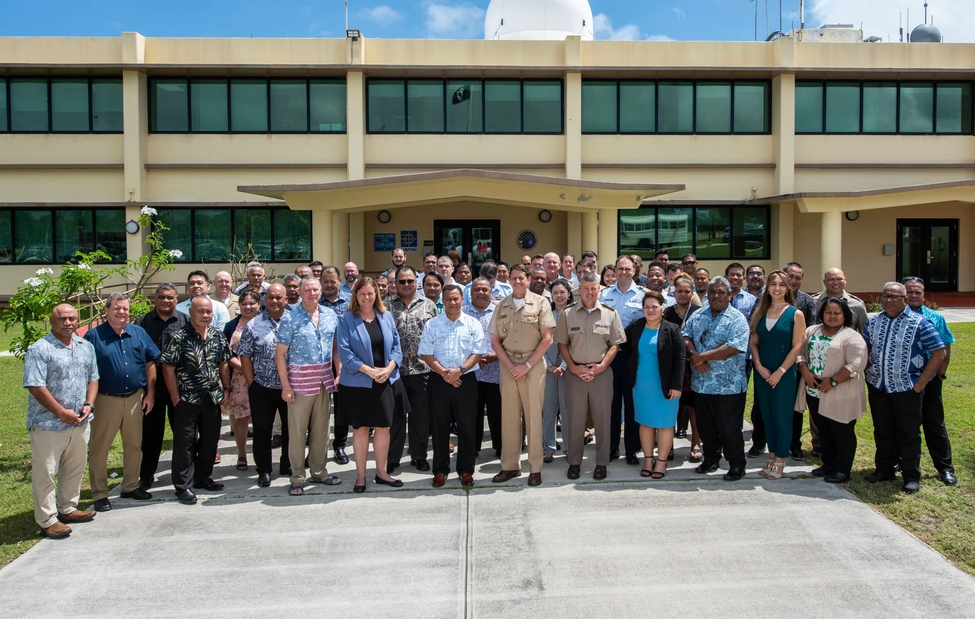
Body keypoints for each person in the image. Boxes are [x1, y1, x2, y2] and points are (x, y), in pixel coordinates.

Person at [23, 304, 99, 539]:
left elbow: (93, 378)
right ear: (52, 320)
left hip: (80, 421)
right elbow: (36, 386)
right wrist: (61, 412)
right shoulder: (40, 349)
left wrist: (89, 404)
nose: (67, 322)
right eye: (62, 318)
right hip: (48, 424)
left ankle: (67, 508)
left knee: (75, 467)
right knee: (46, 473)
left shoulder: (85, 346)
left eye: (72, 318)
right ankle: (47, 519)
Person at [862, 282, 946, 494]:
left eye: (894, 296)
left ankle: (911, 475)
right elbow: (864, 349)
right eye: (885, 296)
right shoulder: (874, 322)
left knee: (909, 433)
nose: (888, 300)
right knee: (882, 430)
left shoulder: (921, 323)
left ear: (905, 299)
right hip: (878, 386)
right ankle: (885, 469)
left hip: (907, 388)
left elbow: (939, 352)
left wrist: (921, 383)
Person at [84, 293, 159, 512]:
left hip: (135, 398)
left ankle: (130, 486)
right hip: (105, 399)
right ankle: (99, 493)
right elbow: (86, 371)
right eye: (117, 308)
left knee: (134, 445)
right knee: (100, 448)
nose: (122, 312)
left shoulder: (138, 333)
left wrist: (150, 393)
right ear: (106, 310)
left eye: (125, 309)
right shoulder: (93, 336)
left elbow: (150, 361)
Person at [336, 277, 409, 493]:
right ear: (355, 296)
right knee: (361, 429)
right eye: (362, 294)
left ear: (376, 294)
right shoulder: (346, 319)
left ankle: (382, 472)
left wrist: (388, 369)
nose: (367, 298)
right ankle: (360, 477)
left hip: (386, 380)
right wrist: (369, 370)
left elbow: (397, 346)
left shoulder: (385, 316)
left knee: (384, 428)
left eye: (370, 293)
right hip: (359, 383)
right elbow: (345, 353)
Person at [489, 264, 556, 486]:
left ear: (528, 279)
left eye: (520, 278)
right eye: (513, 278)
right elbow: (495, 341)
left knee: (533, 417)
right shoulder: (502, 305)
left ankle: (535, 468)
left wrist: (526, 366)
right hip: (509, 365)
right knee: (509, 418)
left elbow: (547, 339)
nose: (517, 281)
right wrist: (510, 366)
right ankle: (509, 466)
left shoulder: (540, 303)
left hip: (533, 365)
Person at [160, 296, 232, 505]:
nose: (205, 315)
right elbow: (168, 367)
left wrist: (226, 389)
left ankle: (203, 477)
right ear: (191, 313)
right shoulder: (179, 337)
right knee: (185, 443)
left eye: (209, 312)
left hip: (211, 397)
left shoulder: (218, 336)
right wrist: (175, 398)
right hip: (186, 398)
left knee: (210, 439)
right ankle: (183, 486)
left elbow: (224, 363)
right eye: (201, 311)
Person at [275, 277, 341, 495]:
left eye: (316, 290)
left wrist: (338, 372)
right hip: (299, 383)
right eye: (308, 290)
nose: (312, 293)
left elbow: (335, 347)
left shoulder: (330, 315)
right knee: (297, 432)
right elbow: (281, 354)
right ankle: (297, 476)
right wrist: (285, 386)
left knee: (322, 430)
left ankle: (319, 471)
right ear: (300, 293)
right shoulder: (290, 319)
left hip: (323, 380)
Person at [556, 272, 625, 480]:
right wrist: (573, 368)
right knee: (575, 419)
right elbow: (562, 344)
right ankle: (574, 462)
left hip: (601, 373)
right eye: (585, 288)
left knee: (603, 419)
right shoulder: (568, 314)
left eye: (593, 288)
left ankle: (601, 463)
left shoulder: (610, 313)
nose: (589, 292)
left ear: (599, 289)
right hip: (575, 373)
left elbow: (615, 345)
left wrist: (602, 366)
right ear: (579, 290)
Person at [682, 277, 750, 481]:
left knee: (729, 428)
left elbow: (734, 347)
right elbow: (685, 335)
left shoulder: (737, 319)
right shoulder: (698, 314)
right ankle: (711, 459)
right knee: (706, 426)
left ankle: (737, 464)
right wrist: (694, 356)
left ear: (729, 296)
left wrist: (700, 357)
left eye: (721, 292)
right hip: (701, 385)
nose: (716, 296)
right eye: (712, 292)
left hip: (727, 386)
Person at [418, 285, 484, 487]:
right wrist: (445, 374)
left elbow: (477, 353)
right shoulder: (432, 324)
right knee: (439, 426)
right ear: (443, 300)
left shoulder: (472, 324)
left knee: (467, 426)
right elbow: (426, 354)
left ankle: (466, 469)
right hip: (439, 380)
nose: (452, 303)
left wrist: (460, 371)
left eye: (456, 299)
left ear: (462, 300)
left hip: (466, 380)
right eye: (448, 299)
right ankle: (440, 469)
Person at [796, 298, 868, 484]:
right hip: (815, 391)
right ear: (822, 314)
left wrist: (833, 382)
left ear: (845, 315)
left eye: (837, 313)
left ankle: (843, 470)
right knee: (824, 430)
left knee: (842, 430)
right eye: (828, 312)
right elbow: (800, 353)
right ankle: (828, 464)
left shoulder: (852, 336)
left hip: (840, 392)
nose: (833, 316)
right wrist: (805, 372)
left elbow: (856, 364)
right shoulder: (811, 331)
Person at [748, 270, 805, 480]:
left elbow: (798, 345)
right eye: (773, 284)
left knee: (782, 416)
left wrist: (780, 372)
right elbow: (754, 342)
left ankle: (780, 459)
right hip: (763, 371)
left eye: (782, 284)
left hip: (784, 371)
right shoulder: (761, 311)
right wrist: (759, 366)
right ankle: (771, 457)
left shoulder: (795, 313)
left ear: (787, 288)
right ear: (768, 288)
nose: (777, 288)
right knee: (767, 416)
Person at [903, 276, 957, 486]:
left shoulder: (935, 318)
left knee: (934, 423)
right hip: (905, 380)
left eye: (918, 292)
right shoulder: (895, 317)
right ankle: (902, 461)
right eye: (910, 292)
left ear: (924, 295)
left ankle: (945, 467)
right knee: (905, 424)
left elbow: (946, 346)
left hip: (931, 378)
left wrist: (940, 374)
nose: (914, 295)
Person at [625, 291, 685, 479]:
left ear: (663, 308)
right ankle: (648, 460)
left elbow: (681, 358)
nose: (650, 310)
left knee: (665, 424)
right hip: (641, 385)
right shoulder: (636, 326)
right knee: (646, 423)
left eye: (654, 306)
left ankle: (661, 462)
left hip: (666, 385)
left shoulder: (672, 328)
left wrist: (677, 384)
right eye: (646, 307)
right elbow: (623, 345)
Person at [386, 265, 439, 473]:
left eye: (410, 281)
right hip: (395, 370)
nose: (406, 284)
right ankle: (392, 457)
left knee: (421, 417)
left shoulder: (429, 305)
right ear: (395, 283)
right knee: (395, 417)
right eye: (402, 281)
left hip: (422, 370)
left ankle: (419, 456)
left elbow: (436, 337)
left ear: (416, 282)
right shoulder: (385, 306)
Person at [136, 284, 188, 490]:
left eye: (170, 298)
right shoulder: (142, 323)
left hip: (180, 387)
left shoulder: (185, 321)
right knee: (151, 436)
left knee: (184, 434)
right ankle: (146, 476)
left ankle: (184, 476)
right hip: (153, 389)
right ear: (154, 299)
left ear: (177, 299)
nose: (166, 301)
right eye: (161, 297)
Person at [238, 283, 290, 487]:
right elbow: (244, 354)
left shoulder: (294, 321)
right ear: (265, 300)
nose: (275, 301)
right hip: (262, 387)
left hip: (290, 387)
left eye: (279, 297)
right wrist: (252, 384)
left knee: (291, 429)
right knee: (262, 430)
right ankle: (264, 470)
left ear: (286, 299)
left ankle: (287, 464)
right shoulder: (254, 324)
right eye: (271, 298)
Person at [598, 255, 645, 464]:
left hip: (633, 357)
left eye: (627, 269)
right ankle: (611, 447)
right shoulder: (604, 294)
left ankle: (632, 449)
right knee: (611, 402)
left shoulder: (643, 295)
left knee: (632, 402)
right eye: (620, 269)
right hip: (608, 355)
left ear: (634, 270)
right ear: (614, 270)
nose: (623, 272)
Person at [222, 290, 261, 472]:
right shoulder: (231, 326)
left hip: (263, 377)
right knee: (242, 418)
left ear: (259, 304)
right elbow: (226, 354)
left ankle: (262, 455)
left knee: (263, 418)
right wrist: (244, 369)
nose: (248, 307)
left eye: (252, 303)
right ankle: (242, 455)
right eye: (244, 303)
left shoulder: (266, 323)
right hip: (239, 378)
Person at [664, 275, 702, 461]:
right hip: (672, 368)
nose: (683, 294)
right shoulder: (666, 312)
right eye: (679, 291)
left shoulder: (699, 312)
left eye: (687, 291)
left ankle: (695, 443)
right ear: (673, 292)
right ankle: (667, 444)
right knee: (670, 406)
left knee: (694, 408)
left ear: (692, 292)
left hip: (693, 366)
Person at [463, 278, 503, 456]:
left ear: (490, 291)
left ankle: (501, 446)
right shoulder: (462, 312)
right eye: (476, 289)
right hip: (470, 373)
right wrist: (471, 359)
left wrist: (497, 355)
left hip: (496, 372)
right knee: (472, 414)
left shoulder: (499, 312)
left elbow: (507, 338)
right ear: (470, 293)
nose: (480, 293)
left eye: (484, 290)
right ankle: (473, 447)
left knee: (498, 413)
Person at [784, 261, 819, 457]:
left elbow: (810, 333)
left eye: (798, 277)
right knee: (765, 404)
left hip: (797, 360)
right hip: (771, 359)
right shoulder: (768, 298)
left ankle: (794, 444)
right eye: (790, 276)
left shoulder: (807, 301)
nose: (794, 281)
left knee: (795, 406)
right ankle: (760, 441)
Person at [319, 265, 351, 464]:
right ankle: (316, 449)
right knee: (319, 408)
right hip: (319, 362)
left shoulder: (349, 303)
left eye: (333, 281)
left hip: (344, 361)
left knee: (341, 408)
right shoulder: (313, 302)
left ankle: (339, 446)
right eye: (325, 281)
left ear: (340, 281)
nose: (329, 285)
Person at [542, 279, 572, 463]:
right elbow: (540, 342)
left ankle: (569, 448)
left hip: (568, 369)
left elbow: (576, 344)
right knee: (549, 409)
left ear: (569, 294)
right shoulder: (546, 315)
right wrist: (548, 365)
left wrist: (564, 366)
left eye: (562, 292)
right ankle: (548, 447)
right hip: (548, 369)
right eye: (555, 293)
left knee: (568, 410)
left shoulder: (574, 314)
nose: (559, 296)